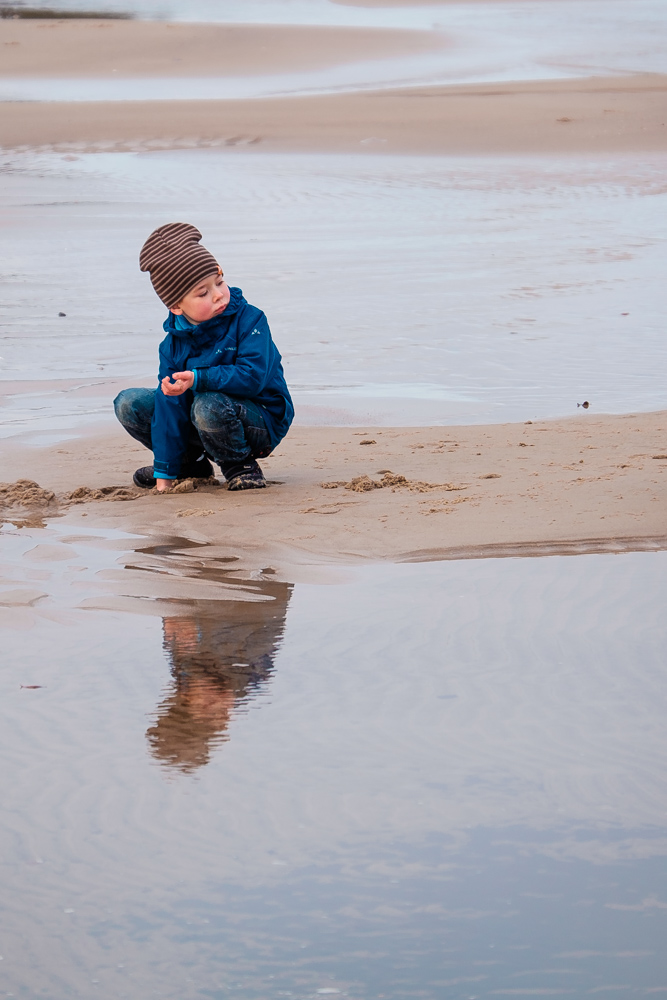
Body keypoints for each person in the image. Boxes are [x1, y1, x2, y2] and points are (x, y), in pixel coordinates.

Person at [114, 222, 294, 491]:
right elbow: (169, 407)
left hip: (259, 420)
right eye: (203, 292)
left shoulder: (250, 320)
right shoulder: (172, 346)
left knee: (207, 403)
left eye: (219, 281)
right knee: (130, 403)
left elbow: (252, 377)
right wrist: (164, 476)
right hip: (203, 418)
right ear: (175, 306)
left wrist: (199, 378)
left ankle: (239, 464)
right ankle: (189, 464)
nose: (219, 294)